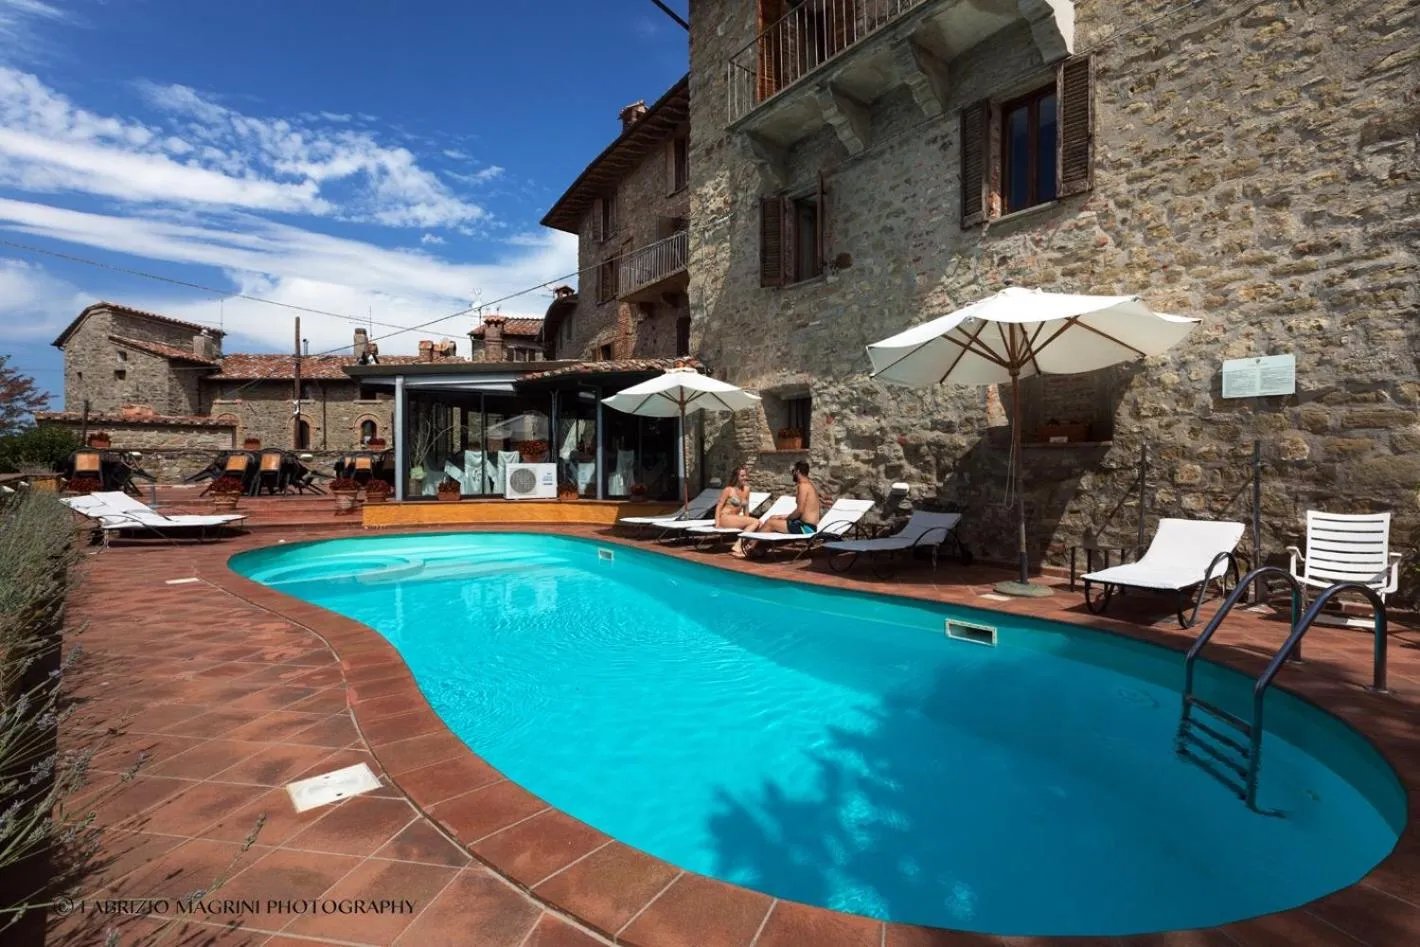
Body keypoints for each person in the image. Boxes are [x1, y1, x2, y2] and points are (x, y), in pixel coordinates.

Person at [732, 460, 819, 558]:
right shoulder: (809, 485)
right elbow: (803, 512)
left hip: (805, 528)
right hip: (804, 525)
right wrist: (782, 516)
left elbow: (800, 510)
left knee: (770, 523)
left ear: (798, 471)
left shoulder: (803, 486)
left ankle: (748, 548)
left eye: (793, 471)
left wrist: (787, 518)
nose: (793, 474)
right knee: (773, 518)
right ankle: (759, 549)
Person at [715, 466, 758, 531]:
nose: (745, 477)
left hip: (735, 518)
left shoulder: (747, 490)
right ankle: (742, 537)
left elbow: (746, 509)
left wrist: (747, 520)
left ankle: (745, 536)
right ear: (736, 477)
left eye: (746, 475)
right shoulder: (728, 489)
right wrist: (717, 524)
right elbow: (719, 507)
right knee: (755, 522)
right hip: (725, 518)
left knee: (759, 523)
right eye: (742, 476)